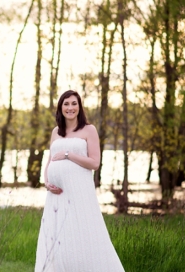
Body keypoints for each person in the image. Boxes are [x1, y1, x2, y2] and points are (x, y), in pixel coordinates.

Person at [35, 90, 124, 272]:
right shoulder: (55, 132)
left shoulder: (88, 130)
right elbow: (49, 162)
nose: (70, 107)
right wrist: (46, 183)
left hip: (80, 194)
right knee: (58, 236)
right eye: (66, 104)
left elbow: (94, 163)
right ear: (60, 107)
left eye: (74, 103)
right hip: (56, 197)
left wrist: (69, 155)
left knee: (82, 233)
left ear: (79, 107)